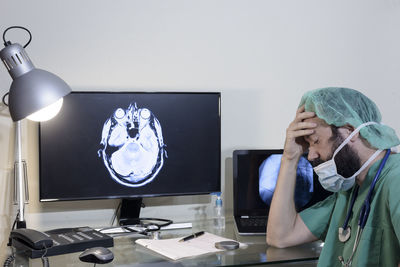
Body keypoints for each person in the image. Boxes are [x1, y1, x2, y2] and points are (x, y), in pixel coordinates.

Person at [266, 87, 400, 266]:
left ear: (350, 130)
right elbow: (280, 236)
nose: (311, 155)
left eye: (315, 141)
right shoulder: (350, 191)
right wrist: (290, 158)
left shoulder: (395, 180)